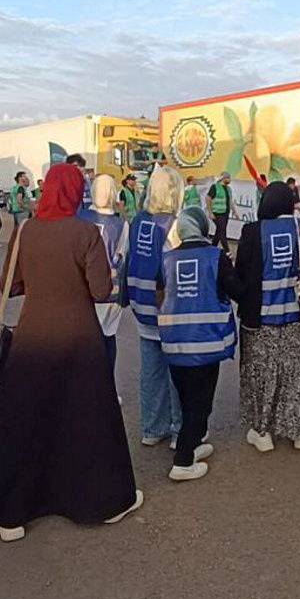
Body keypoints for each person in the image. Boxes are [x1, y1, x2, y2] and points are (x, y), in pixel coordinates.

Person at [0, 164, 143, 542]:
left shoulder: (26, 230)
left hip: (33, 339)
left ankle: (9, 514)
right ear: (76, 192)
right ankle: (99, 503)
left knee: (22, 424)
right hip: (80, 341)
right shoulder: (85, 233)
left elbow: (8, 286)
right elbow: (98, 290)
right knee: (87, 423)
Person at [234, 182, 300, 452]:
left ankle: (263, 431)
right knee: (299, 372)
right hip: (299, 319)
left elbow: (241, 272)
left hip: (261, 319)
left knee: (262, 373)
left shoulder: (253, 232)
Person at [157, 207, 245, 480]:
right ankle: (183, 462)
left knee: (187, 399)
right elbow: (237, 291)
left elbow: (160, 295)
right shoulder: (216, 256)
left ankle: (192, 445)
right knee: (200, 403)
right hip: (207, 343)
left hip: (174, 343)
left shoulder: (167, 258)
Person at [125, 166, 184, 447]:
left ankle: (152, 427)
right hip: (167, 309)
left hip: (142, 306)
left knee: (150, 370)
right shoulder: (174, 225)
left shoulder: (138, 221)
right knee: (177, 371)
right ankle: (179, 429)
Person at [78, 174, 128, 377]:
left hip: (81, 289)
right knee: (107, 339)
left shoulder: (79, 218)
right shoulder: (121, 225)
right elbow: (122, 257)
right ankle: (107, 389)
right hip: (109, 292)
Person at [206, 173, 236, 248]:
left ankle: (212, 248)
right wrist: (210, 213)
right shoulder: (215, 187)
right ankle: (228, 252)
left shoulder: (229, 189)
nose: (229, 180)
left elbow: (230, 201)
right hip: (217, 213)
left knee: (219, 231)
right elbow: (208, 198)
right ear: (223, 178)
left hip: (225, 213)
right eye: (228, 178)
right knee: (222, 233)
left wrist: (235, 212)